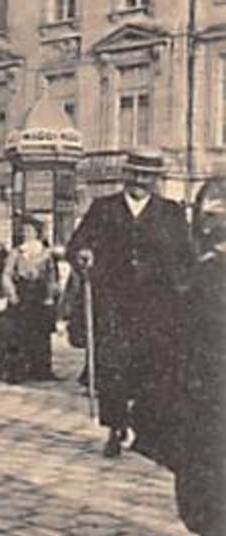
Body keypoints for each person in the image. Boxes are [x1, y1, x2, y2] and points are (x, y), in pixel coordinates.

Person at [134, 178, 226, 536]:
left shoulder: (209, 277)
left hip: (214, 401)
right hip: (203, 401)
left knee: (213, 496)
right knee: (203, 494)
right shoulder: (202, 274)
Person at [66, 153, 191, 457]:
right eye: (135, 174)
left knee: (152, 368)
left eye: (147, 176)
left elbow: (186, 256)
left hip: (157, 308)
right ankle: (115, 427)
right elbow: (76, 244)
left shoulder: (170, 212)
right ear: (126, 175)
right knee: (113, 368)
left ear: (156, 179)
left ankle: (147, 428)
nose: (140, 181)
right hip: (114, 304)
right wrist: (83, 254)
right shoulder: (103, 208)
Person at [0, 217, 58, 383]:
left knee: (41, 334)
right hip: (22, 294)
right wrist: (11, 293)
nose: (26, 234)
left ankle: (41, 370)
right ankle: (18, 371)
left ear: (37, 233)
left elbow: (51, 276)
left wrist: (50, 295)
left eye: (30, 231)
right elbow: (6, 275)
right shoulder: (16, 252)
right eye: (24, 231)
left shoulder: (46, 253)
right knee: (19, 334)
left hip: (39, 294)